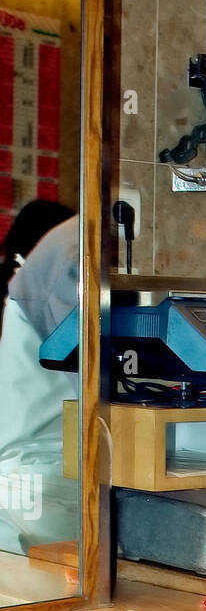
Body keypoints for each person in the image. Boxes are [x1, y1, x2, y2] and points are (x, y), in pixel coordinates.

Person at [0, 211, 79, 554]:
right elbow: (96, 387)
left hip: (43, 476)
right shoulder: (78, 251)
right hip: (44, 480)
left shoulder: (74, 240)